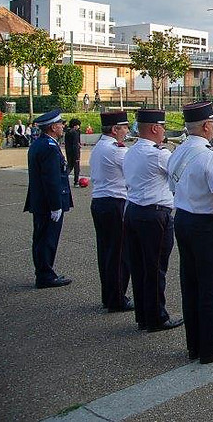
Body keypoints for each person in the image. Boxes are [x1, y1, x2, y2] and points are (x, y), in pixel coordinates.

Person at [167, 101, 213, 364]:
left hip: (184, 220)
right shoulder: (211, 157)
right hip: (207, 226)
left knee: (191, 284)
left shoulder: (178, 152)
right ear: (208, 126)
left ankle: (194, 344)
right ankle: (211, 347)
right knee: (211, 288)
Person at [123, 109, 183, 332]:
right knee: (156, 268)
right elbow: (181, 174)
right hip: (155, 214)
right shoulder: (159, 154)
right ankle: (157, 316)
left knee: (139, 267)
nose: (164, 131)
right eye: (163, 127)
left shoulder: (131, 151)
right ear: (155, 128)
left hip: (134, 211)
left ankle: (143, 316)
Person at [25, 109, 73, 288]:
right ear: (53, 127)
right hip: (48, 203)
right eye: (60, 124)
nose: (62, 127)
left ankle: (43, 272)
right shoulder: (50, 148)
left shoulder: (40, 144)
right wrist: (55, 205)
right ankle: (46, 275)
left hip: (39, 201)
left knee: (40, 238)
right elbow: (51, 180)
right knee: (48, 239)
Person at [90, 111, 133, 312]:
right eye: (124, 127)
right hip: (115, 202)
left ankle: (109, 295)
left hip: (100, 202)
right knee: (119, 254)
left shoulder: (100, 146)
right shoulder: (117, 150)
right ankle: (117, 298)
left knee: (106, 252)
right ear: (115, 130)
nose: (126, 131)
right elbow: (135, 170)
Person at [64, 118, 82, 185]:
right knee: (76, 167)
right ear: (75, 125)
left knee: (70, 165)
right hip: (74, 152)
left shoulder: (68, 132)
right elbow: (75, 145)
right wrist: (77, 156)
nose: (78, 127)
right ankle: (76, 181)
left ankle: (63, 178)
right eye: (78, 125)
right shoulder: (74, 132)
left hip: (68, 151)